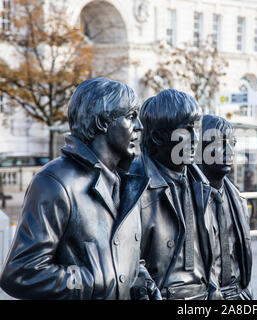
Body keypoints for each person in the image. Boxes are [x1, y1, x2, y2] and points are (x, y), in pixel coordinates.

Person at [0, 78, 160, 300]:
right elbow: (21, 273)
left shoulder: (128, 183)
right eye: (131, 116)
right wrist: (95, 280)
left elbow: (127, 255)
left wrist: (143, 282)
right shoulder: (54, 183)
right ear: (103, 122)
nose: (140, 126)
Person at [130, 89, 220, 300]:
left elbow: (209, 251)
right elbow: (126, 258)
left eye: (196, 129)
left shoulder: (201, 184)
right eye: (186, 131)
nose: (195, 138)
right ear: (157, 137)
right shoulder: (133, 183)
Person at [197, 115, 253, 300]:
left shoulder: (238, 200)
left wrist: (246, 290)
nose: (229, 151)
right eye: (220, 144)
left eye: (232, 144)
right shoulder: (186, 198)